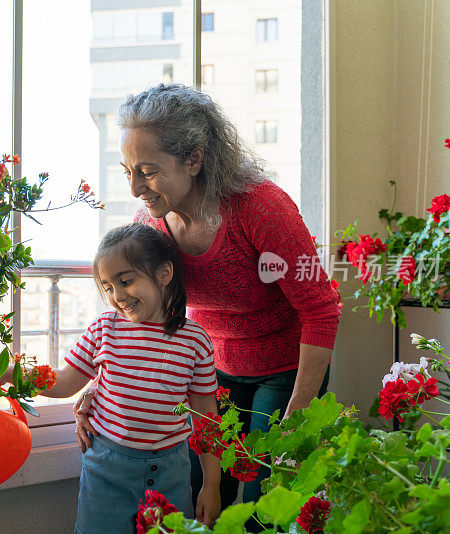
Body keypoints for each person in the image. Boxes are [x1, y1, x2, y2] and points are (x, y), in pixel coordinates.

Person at [73, 84, 341, 529]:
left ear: (194, 159)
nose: (136, 187)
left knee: (261, 508)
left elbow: (321, 310)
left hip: (284, 368)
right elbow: (141, 316)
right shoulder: (150, 222)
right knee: (202, 503)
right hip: (209, 371)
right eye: (127, 171)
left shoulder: (262, 210)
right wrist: (99, 385)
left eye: (148, 170)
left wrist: (297, 416)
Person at [0, 223, 222, 533]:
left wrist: (212, 483)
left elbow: (206, 414)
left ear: (165, 274)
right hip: (107, 469)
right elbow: (63, 382)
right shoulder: (104, 328)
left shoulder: (195, 340)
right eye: (108, 287)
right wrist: (10, 373)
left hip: (171, 471)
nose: (117, 296)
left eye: (125, 281)